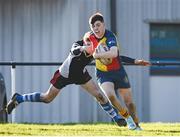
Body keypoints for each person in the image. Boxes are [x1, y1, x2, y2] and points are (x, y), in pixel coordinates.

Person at [5, 37, 141, 130]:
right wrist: (83, 48)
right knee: (47, 98)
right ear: (85, 39)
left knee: (99, 95)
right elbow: (73, 50)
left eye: (92, 40)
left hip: (81, 75)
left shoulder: (96, 49)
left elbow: (114, 56)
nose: (91, 43)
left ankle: (117, 118)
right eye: (88, 40)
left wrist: (135, 61)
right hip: (65, 74)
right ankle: (19, 98)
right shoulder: (78, 44)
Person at [86, 12, 151, 130]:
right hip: (103, 73)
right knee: (110, 95)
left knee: (129, 103)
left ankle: (136, 124)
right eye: (93, 26)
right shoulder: (90, 37)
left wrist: (97, 54)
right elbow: (85, 43)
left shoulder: (110, 36)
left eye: (98, 25)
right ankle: (127, 118)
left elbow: (114, 53)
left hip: (118, 72)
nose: (96, 28)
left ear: (103, 24)